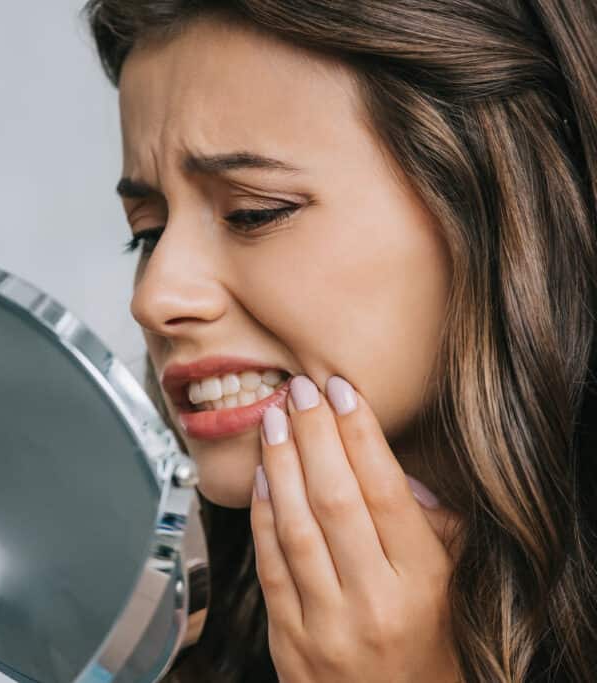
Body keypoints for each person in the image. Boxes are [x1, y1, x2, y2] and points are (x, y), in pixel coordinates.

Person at [81, 1, 597, 681]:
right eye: (147, 230)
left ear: (492, 204)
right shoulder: (161, 638)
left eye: (253, 211)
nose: (153, 298)